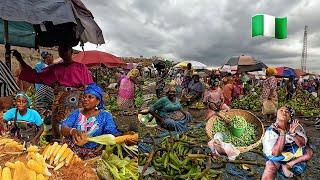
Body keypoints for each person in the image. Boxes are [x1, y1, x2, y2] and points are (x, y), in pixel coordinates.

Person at [12, 45, 93, 139]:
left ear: (71, 52)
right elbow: (36, 76)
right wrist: (21, 60)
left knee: (78, 131)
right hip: (60, 106)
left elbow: (90, 87)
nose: (62, 52)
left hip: (78, 104)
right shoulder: (55, 68)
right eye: (60, 50)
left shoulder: (81, 67)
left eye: (65, 49)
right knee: (59, 131)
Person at [60, 83, 122, 159]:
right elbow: (63, 128)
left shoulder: (105, 116)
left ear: (98, 101)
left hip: (92, 153)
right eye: (84, 97)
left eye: (90, 97)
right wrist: (73, 131)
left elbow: (111, 134)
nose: (86, 99)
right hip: (70, 151)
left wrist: (125, 138)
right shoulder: (76, 113)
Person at [262, 106, 313, 179]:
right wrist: (282, 134)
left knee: (309, 152)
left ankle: (289, 165)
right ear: (276, 114)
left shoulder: (295, 126)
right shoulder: (271, 131)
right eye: (281, 110)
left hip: (293, 153)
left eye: (287, 111)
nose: (284, 112)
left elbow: (302, 144)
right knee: (270, 167)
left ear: (290, 117)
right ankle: (282, 165)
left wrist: (293, 134)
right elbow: (275, 153)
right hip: (280, 156)